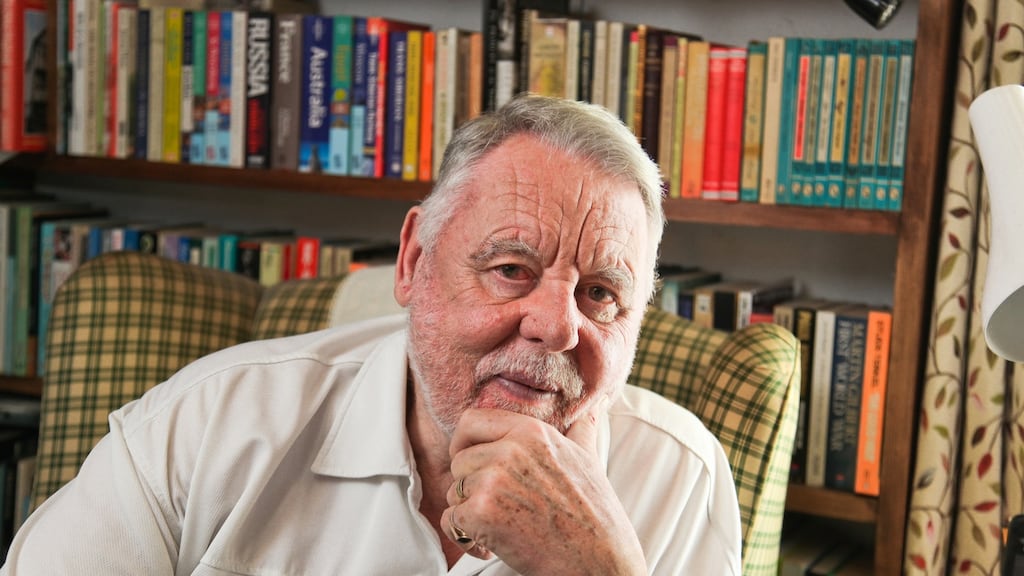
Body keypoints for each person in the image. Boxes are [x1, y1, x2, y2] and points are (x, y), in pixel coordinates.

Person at [1, 95, 740, 574]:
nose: (555, 325)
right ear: (415, 261)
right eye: (512, 268)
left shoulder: (682, 479)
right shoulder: (206, 425)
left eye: (602, 293)